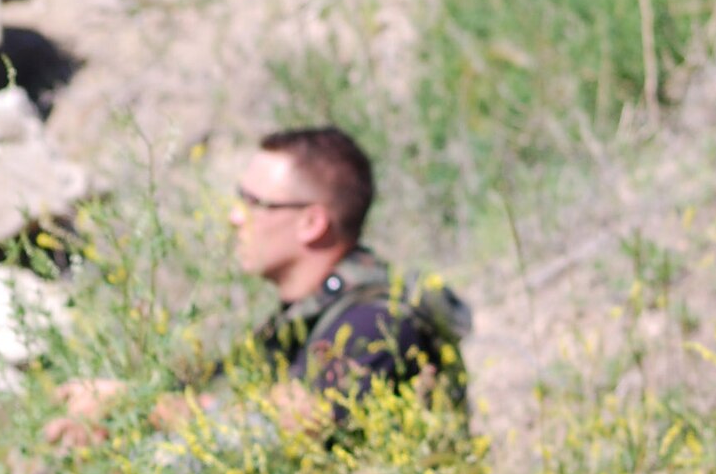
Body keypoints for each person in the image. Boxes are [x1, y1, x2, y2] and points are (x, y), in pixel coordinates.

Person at [48, 126, 469, 448]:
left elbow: (277, 430)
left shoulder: (374, 321)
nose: (235, 217)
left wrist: (138, 406)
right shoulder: (306, 317)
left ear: (312, 222)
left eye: (255, 203)